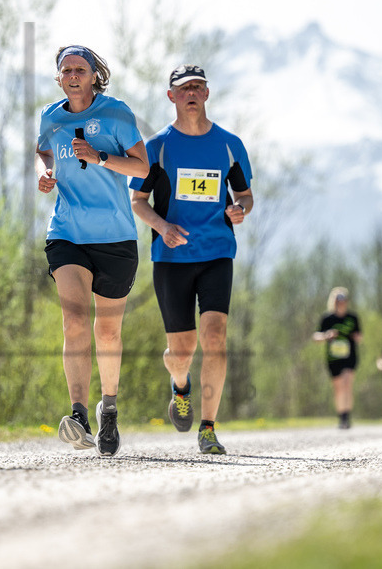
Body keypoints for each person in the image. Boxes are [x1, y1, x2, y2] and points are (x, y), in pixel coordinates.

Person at [129, 65, 253, 455]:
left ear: (207, 93)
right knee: (181, 352)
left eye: (198, 86)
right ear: (171, 97)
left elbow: (245, 195)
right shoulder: (157, 148)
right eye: (184, 88)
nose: (192, 93)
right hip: (171, 256)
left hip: (217, 252)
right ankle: (180, 386)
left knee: (215, 338)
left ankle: (209, 427)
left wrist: (240, 210)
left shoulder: (230, 144)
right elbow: (137, 202)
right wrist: (162, 226)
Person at [36, 45, 149, 457]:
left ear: (94, 74)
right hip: (67, 232)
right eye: (65, 70)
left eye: (79, 69)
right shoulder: (52, 116)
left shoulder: (116, 112)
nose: (71, 75)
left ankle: (110, 410)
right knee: (75, 321)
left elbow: (142, 167)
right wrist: (45, 173)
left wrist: (101, 156)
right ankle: (79, 414)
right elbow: (43, 151)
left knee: (108, 331)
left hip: (116, 236)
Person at [313, 287, 361, 429]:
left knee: (347, 384)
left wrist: (356, 337)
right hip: (333, 358)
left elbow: (360, 336)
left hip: (350, 356)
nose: (341, 303)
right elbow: (316, 336)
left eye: (343, 300)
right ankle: (341, 416)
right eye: (338, 300)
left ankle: (347, 415)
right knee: (339, 387)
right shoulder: (327, 318)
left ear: (347, 301)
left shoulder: (353, 318)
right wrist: (327, 335)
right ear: (334, 301)